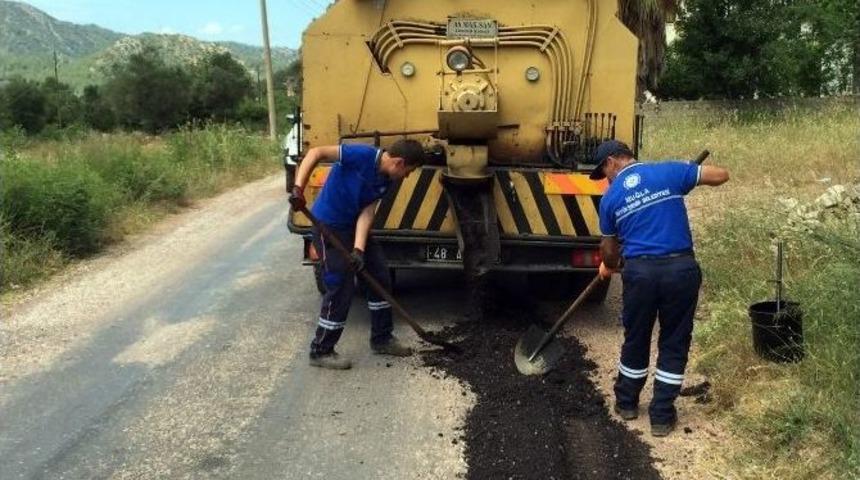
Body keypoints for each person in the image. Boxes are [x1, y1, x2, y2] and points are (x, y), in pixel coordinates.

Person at [590, 140, 729, 436]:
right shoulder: (668, 172)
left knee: (636, 335)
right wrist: (688, 174)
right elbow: (721, 175)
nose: (606, 178)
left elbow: (610, 251)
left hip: (640, 274)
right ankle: (662, 416)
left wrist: (609, 264)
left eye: (604, 170)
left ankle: (627, 403)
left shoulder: (610, 197)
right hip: (680, 270)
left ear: (613, 161)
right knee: (674, 340)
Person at [289, 139, 425, 370]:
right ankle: (321, 350)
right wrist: (298, 188)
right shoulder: (360, 155)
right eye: (408, 171)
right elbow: (317, 151)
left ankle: (382, 339)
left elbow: (367, 211)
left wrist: (359, 249)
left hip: (352, 226)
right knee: (341, 284)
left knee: (379, 274)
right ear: (399, 162)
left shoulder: (387, 180)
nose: (407, 177)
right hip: (328, 226)